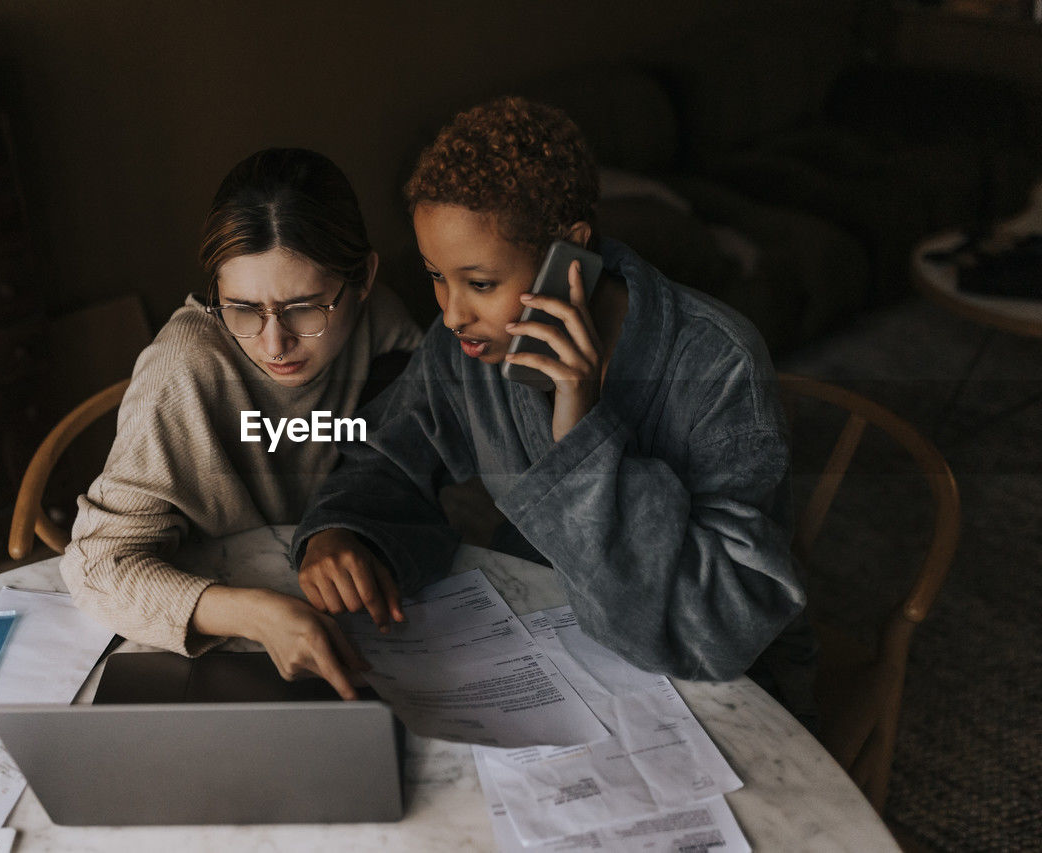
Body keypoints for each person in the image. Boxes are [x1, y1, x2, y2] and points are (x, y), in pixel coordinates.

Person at [293, 98, 814, 709]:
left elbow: (724, 630)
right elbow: (387, 456)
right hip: (548, 647)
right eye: (437, 275)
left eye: (481, 283)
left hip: (718, 688)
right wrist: (340, 530)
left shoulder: (718, 363)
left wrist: (583, 434)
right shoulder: (468, 346)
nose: (452, 311)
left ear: (571, 255)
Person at [61, 148, 423, 700]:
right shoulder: (182, 371)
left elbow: (422, 460)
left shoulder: (384, 325)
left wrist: (349, 525)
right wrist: (258, 616)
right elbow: (94, 568)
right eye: (241, 308)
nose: (274, 345)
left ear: (365, 278)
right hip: (210, 651)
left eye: (305, 308)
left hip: (361, 622)